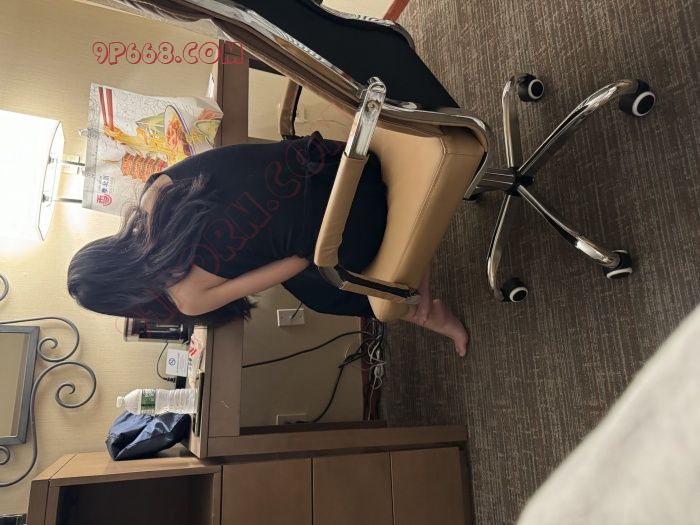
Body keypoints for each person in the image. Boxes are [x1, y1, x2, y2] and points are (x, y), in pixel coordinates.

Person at [67, 132, 469, 355]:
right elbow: (244, 160)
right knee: (297, 258)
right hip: (349, 160)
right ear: (111, 248)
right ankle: (416, 288)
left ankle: (418, 303)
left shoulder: (187, 298)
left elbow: (297, 261)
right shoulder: (156, 189)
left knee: (321, 292)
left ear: (125, 301)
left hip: (361, 224)